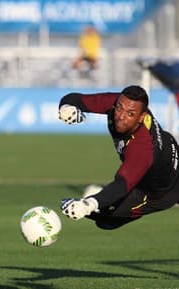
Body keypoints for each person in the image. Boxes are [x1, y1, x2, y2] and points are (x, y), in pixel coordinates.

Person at [58, 85, 179, 229]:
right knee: (104, 205)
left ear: (142, 117)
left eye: (130, 114)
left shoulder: (143, 146)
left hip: (158, 192)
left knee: (106, 221)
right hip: (165, 156)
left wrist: (86, 205)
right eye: (119, 108)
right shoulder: (117, 102)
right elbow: (74, 99)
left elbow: (122, 185)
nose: (121, 116)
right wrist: (65, 108)